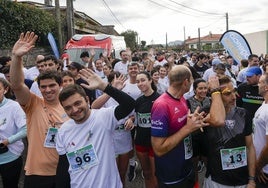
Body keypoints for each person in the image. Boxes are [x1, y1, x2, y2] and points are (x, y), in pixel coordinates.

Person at [56, 68, 136, 188]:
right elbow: (64, 167)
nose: (74, 110)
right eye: (68, 108)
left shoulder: (103, 116)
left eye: (78, 103)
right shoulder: (63, 131)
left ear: (87, 100)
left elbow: (129, 104)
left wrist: (105, 86)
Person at [10, 31, 69, 188]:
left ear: (60, 85)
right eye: (43, 87)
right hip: (38, 174)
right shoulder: (33, 104)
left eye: (52, 86)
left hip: (65, 171)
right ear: (39, 88)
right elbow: (16, 85)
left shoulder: (70, 108)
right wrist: (16, 57)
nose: (48, 90)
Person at [151, 65, 225, 187]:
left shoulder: (182, 100)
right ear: (186, 82)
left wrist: (193, 121)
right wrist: (188, 128)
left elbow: (179, 126)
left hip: (187, 167)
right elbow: (158, 149)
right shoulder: (162, 105)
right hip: (172, 174)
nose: (192, 82)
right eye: (191, 79)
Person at [203, 75, 256, 188]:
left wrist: (251, 179)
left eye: (234, 91)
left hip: (242, 180)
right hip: (217, 181)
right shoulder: (205, 114)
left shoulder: (244, 114)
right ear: (215, 96)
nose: (234, 97)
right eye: (227, 93)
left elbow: (250, 147)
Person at [132, 71, 160, 188]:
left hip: (156, 142)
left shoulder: (160, 99)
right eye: (137, 81)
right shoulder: (138, 101)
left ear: (150, 80)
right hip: (141, 142)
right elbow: (136, 117)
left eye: (143, 80)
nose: (140, 83)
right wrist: (131, 119)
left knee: (155, 174)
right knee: (147, 173)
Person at [0, 78, 27, 188]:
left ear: (5, 90)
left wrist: (7, 141)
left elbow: (25, 129)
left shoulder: (13, 106)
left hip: (10, 156)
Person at [187, 78, 211, 187]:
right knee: (194, 163)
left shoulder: (211, 100)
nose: (203, 90)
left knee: (209, 162)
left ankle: (210, 182)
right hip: (194, 136)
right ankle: (196, 184)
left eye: (205, 88)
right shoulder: (188, 101)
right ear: (195, 89)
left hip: (208, 135)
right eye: (200, 88)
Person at [253, 72, 268, 188]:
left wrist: (258, 166)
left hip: (264, 171)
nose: (257, 85)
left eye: (259, 82)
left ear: (266, 87)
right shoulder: (264, 103)